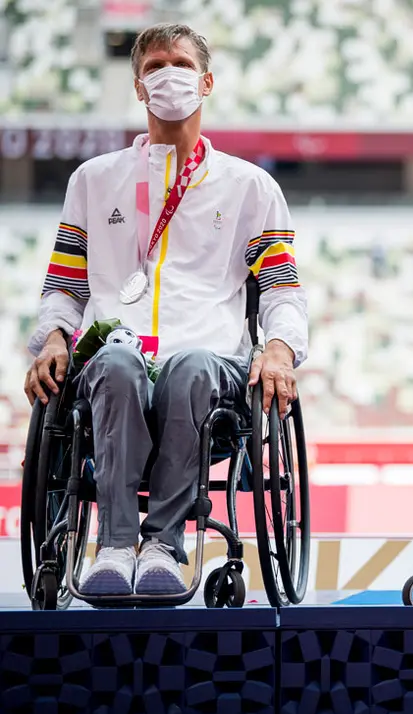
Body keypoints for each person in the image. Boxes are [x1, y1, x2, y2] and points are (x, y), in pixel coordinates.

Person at [24, 23, 308, 595]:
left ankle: (162, 545)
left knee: (191, 366)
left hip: (211, 365)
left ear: (205, 83)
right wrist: (53, 336)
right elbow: (63, 285)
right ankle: (115, 546)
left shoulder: (250, 186)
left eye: (180, 64)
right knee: (114, 364)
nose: (167, 76)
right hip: (115, 362)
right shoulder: (92, 181)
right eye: (154, 67)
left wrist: (279, 347)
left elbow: (281, 289)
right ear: (138, 87)